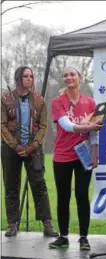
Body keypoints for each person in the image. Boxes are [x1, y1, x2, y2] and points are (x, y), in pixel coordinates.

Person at [1, 66, 58, 238]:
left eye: (31, 76)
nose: (29, 79)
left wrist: (32, 146)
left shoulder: (39, 101)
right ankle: (12, 224)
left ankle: (47, 224)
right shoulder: (5, 99)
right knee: (11, 187)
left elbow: (43, 126)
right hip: (11, 150)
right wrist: (15, 146)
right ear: (18, 78)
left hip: (34, 150)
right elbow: (2, 125)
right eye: (26, 76)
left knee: (39, 186)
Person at [49, 66, 102, 250]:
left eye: (72, 74)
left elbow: (95, 134)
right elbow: (67, 125)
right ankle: (63, 236)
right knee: (63, 196)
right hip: (62, 156)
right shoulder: (58, 101)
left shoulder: (90, 103)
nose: (68, 77)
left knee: (81, 195)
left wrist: (95, 154)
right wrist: (88, 125)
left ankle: (83, 237)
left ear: (80, 77)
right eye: (65, 75)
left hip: (83, 156)